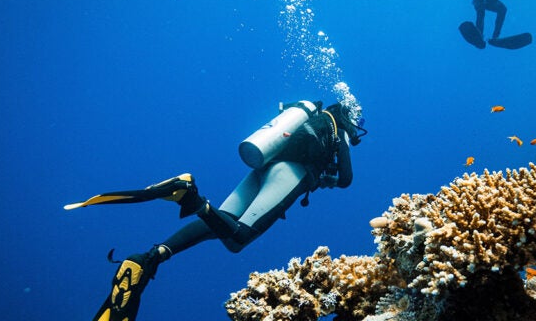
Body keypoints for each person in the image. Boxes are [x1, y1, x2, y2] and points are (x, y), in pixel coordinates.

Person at [65, 100, 366, 321]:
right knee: (237, 238)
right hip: (290, 173)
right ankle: (192, 199)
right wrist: (325, 177)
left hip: (263, 166)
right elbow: (347, 180)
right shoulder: (336, 128)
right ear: (349, 116)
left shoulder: (306, 115)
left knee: (219, 223)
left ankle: (151, 257)